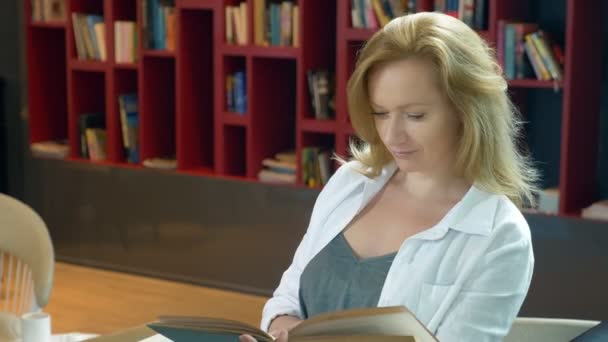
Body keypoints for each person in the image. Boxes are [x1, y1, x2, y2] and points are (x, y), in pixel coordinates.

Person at [241, 11, 537, 342]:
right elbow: (287, 298)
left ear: (468, 111)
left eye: (415, 115)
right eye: (380, 113)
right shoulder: (351, 182)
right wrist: (281, 328)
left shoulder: (500, 236)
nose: (392, 135)